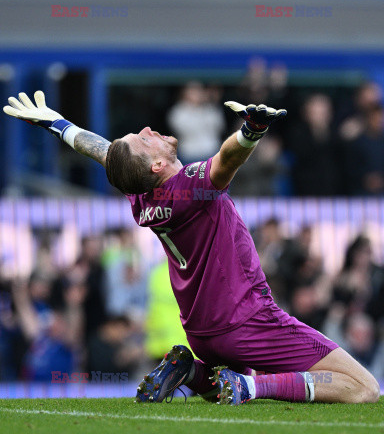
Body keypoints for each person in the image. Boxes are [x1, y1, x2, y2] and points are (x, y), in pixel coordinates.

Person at [3, 91, 380, 405]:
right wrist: (252, 131)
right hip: (248, 318)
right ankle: (251, 388)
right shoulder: (187, 188)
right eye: (144, 137)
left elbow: (101, 149)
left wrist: (58, 124)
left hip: (202, 332)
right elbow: (227, 160)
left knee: (227, 380)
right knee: (364, 386)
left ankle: (193, 372)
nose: (149, 129)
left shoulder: (138, 191)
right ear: (156, 165)